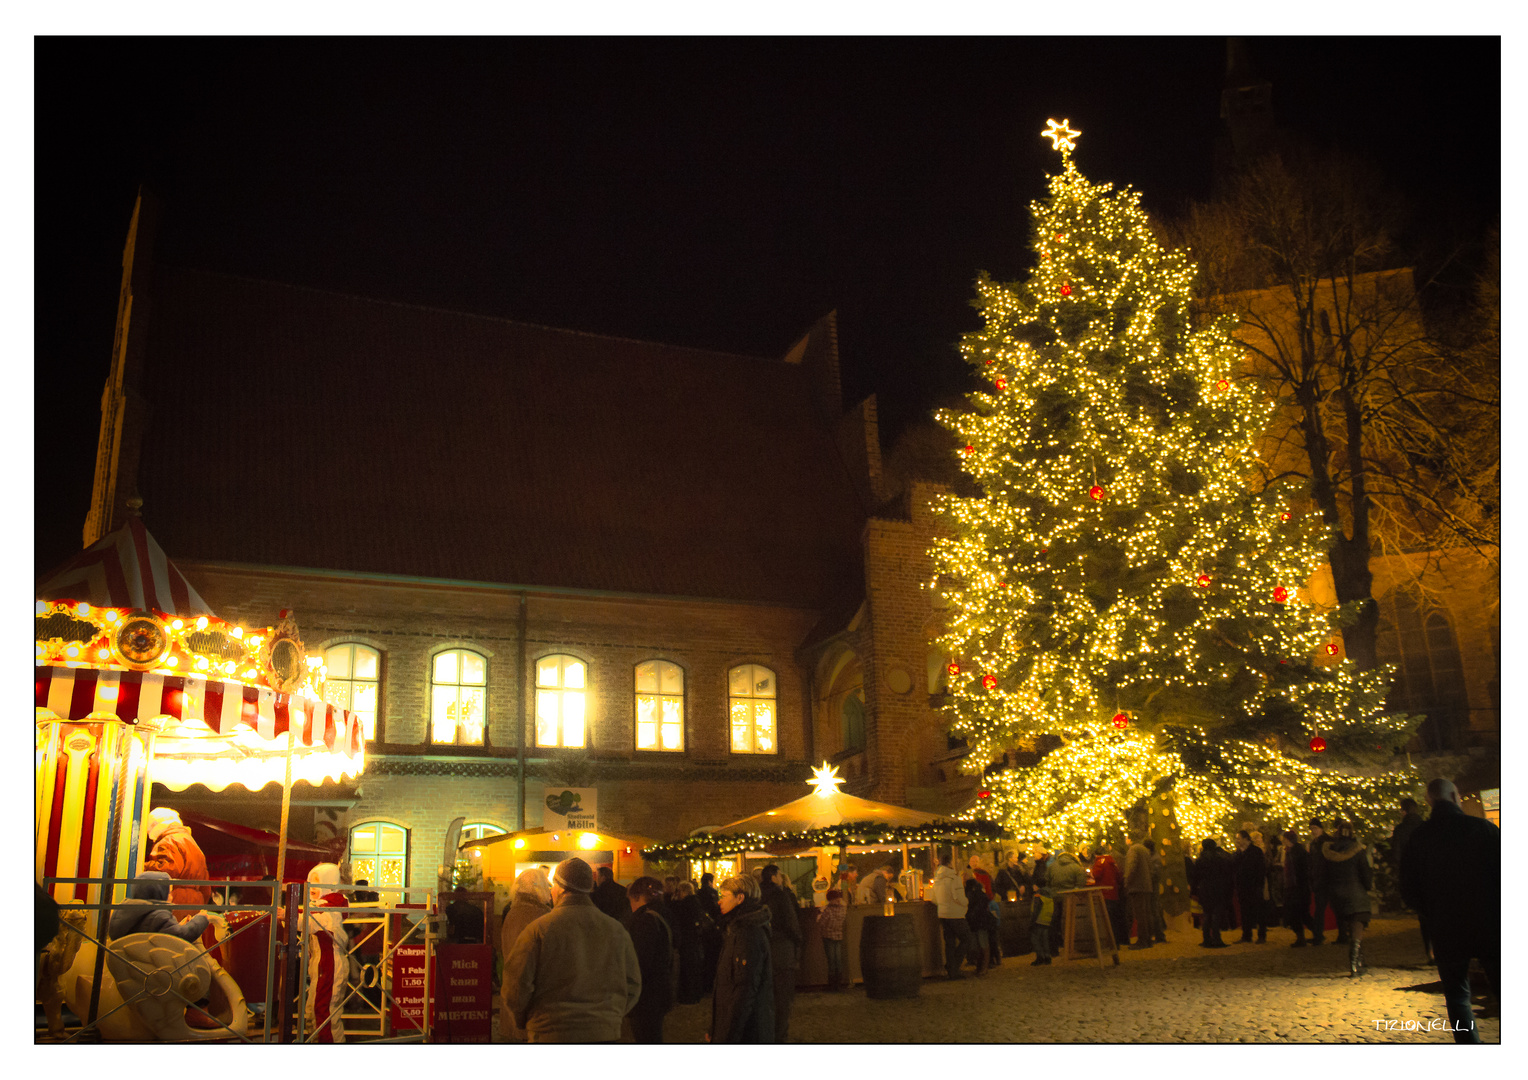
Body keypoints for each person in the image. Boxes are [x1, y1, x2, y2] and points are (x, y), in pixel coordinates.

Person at [1400, 777, 1501, 1044]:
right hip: (1489, 923)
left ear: (1429, 802)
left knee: (1457, 996)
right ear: (1456, 797)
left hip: (1446, 927)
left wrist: (1432, 911)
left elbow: (1409, 889)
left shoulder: (1419, 838)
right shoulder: (1483, 829)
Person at [502, 857, 642, 1043]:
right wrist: (608, 1017)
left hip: (550, 1033)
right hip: (604, 1033)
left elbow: (516, 985)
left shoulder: (538, 930)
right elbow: (632, 983)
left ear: (560, 888)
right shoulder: (616, 930)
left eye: (553, 885)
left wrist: (526, 1020)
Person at [708, 872, 774, 1043]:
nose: (719, 901)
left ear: (740, 898)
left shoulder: (748, 933)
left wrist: (726, 1035)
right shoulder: (737, 928)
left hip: (747, 1031)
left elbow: (744, 989)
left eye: (724, 896)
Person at [496, 868, 552, 1042]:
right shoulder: (542, 915)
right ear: (539, 888)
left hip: (511, 998)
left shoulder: (512, 913)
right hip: (534, 1003)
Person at [623, 876, 676, 1043]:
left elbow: (640, 961)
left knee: (646, 1037)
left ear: (638, 897)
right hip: (660, 989)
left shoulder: (645, 920)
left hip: (647, 995)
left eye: (631, 900)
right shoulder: (664, 913)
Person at [304, 863, 350, 1043]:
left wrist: (292, 917)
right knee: (314, 1012)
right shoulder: (321, 905)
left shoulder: (331, 906)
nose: (313, 888)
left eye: (317, 883)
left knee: (324, 1014)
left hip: (330, 965)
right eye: (311, 883)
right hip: (322, 965)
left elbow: (320, 925)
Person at [1321, 819, 1373, 977]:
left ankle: (1359, 960)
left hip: (1337, 894)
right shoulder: (1358, 851)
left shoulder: (1329, 852)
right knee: (1357, 925)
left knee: (1350, 926)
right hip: (1355, 892)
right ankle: (1354, 962)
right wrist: (1367, 886)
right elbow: (1365, 874)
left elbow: (1324, 874)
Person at [108, 870, 215, 943]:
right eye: (169, 893)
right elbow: (180, 937)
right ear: (158, 894)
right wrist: (201, 919)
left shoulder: (120, 914)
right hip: (154, 971)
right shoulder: (159, 916)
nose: (172, 897)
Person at [143, 807, 213, 915]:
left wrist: (143, 867)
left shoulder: (168, 840)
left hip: (173, 901)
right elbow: (206, 887)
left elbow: (167, 870)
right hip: (195, 903)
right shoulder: (192, 843)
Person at [758, 864, 801, 1042]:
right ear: (774, 876)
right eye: (779, 875)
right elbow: (791, 923)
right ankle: (779, 1036)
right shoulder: (780, 895)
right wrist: (798, 941)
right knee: (782, 999)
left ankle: (764, 1033)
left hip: (762, 950)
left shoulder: (757, 895)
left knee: (765, 997)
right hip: (781, 950)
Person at [931, 848, 973, 979]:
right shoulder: (954, 878)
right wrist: (966, 902)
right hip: (955, 914)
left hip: (943, 914)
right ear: (950, 863)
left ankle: (952, 971)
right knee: (967, 939)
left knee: (949, 942)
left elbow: (933, 899)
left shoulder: (937, 879)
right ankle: (954, 966)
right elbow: (958, 897)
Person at [667, 880, 711, 1005]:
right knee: (693, 966)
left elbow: (677, 916)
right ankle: (695, 993)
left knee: (688, 967)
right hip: (694, 938)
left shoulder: (685, 904)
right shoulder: (695, 901)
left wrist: (674, 900)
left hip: (688, 939)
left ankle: (688, 995)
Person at [1190, 838, 1234, 948]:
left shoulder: (1200, 860)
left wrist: (1194, 891)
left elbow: (1195, 877)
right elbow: (1226, 874)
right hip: (1217, 888)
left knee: (1207, 914)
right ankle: (1216, 938)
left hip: (1205, 889)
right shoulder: (1219, 859)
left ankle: (1206, 939)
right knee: (1216, 914)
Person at [1279, 830, 1315, 947]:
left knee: (1300, 913)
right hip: (1292, 887)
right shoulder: (1290, 851)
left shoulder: (1297, 852)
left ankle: (1312, 933)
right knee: (1296, 913)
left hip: (1298, 887)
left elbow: (1302, 871)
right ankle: (1303, 936)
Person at [1232, 829, 1268, 944]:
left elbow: (1261, 869)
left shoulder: (1255, 852)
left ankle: (1261, 935)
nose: (1237, 841)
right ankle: (1246, 935)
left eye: (1239, 838)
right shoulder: (1238, 853)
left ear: (1245, 839)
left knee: (1258, 911)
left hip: (1254, 886)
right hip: (1242, 887)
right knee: (1245, 911)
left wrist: (1259, 884)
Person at [1089, 840, 1126, 947]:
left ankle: (1109, 943)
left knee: (1106, 920)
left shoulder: (1100, 861)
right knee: (1114, 920)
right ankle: (1116, 942)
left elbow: (1096, 875)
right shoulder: (1112, 862)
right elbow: (1119, 876)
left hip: (1104, 894)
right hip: (1113, 893)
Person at [1123, 834, 1154, 949]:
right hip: (1146, 886)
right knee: (1146, 913)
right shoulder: (1145, 850)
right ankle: (1148, 939)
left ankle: (1142, 941)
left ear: (1130, 839)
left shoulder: (1133, 850)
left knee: (1140, 915)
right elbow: (1150, 868)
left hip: (1137, 886)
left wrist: (1127, 881)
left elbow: (1131, 866)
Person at [1308, 818, 1334, 946]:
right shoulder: (1314, 843)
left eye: (1315, 828)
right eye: (1312, 829)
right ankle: (1318, 934)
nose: (1313, 831)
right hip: (1318, 878)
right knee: (1319, 908)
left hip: (1326, 878)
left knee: (1329, 907)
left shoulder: (1327, 841)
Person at [819, 888, 848, 990]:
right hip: (839, 936)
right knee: (838, 960)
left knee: (831, 961)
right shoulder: (843, 909)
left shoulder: (828, 910)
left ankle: (832, 985)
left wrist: (820, 914)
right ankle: (839, 983)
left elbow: (822, 923)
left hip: (828, 936)